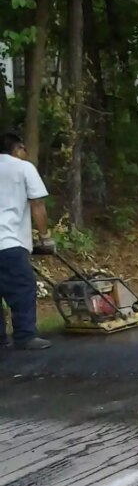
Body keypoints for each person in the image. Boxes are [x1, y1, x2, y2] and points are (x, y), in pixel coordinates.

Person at [0, 132, 54, 350]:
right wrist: (45, 237)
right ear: (17, 148)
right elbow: (37, 204)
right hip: (9, 241)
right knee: (22, 287)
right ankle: (25, 336)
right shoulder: (23, 168)